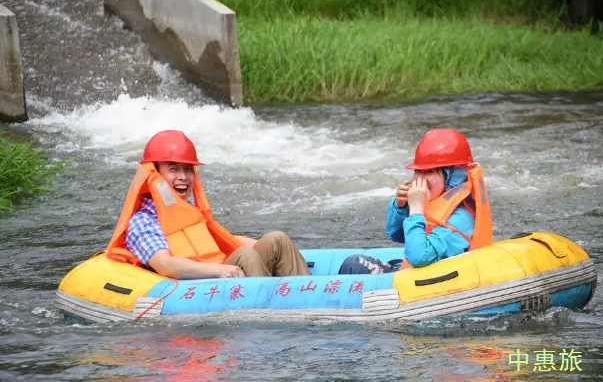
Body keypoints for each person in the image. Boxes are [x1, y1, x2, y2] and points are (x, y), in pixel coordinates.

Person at [106, 130, 311, 279]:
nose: (183, 177)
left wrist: (257, 244)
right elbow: (165, 265)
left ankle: (307, 298)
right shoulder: (143, 221)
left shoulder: (190, 209)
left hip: (219, 270)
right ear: (155, 174)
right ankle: (268, 314)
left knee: (277, 239)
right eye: (173, 169)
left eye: (188, 170)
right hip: (199, 284)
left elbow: (214, 240)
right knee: (246, 255)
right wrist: (219, 270)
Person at [339, 129, 493, 274]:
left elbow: (419, 257)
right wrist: (401, 207)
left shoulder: (460, 219)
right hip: (419, 275)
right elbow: (397, 235)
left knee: (353, 264)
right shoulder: (435, 200)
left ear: (453, 177)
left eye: (429, 172)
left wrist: (416, 210)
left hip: (433, 283)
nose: (420, 179)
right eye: (418, 171)